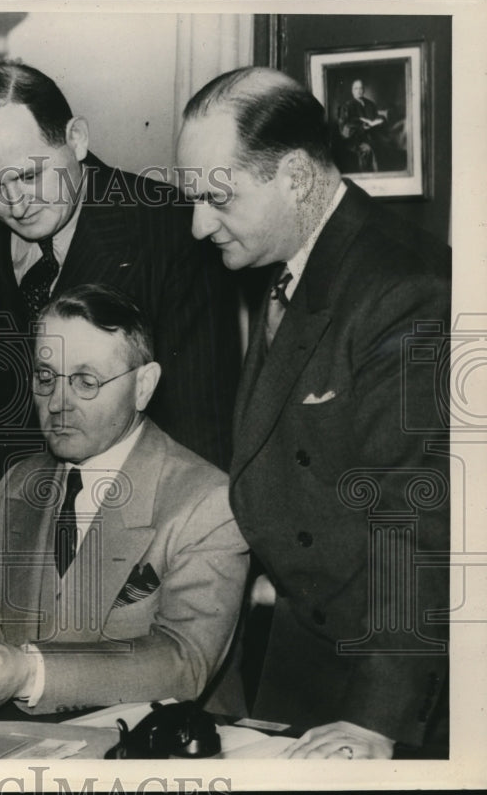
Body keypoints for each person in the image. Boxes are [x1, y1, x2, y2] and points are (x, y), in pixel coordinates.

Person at [176, 67, 450, 758]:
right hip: (304, 646)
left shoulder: (405, 289)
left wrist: (377, 716)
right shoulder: (297, 257)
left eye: (217, 197)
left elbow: (413, 519)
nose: (198, 223)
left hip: (385, 671)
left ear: (295, 177)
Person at [0, 61, 241, 615]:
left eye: (29, 174)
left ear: (77, 139)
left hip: (124, 549)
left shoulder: (167, 230)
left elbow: (201, 428)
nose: (15, 203)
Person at [0, 284, 248, 715]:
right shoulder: (19, 485)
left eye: (86, 381)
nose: (58, 404)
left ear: (143, 387)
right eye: (46, 377)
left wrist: (30, 673)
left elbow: (183, 662)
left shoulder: (206, 501)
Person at [336, 78, 385, 172]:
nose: (359, 91)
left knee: (385, 146)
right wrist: (361, 127)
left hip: (371, 136)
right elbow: (344, 127)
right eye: (356, 88)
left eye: (361, 88)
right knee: (367, 150)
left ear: (364, 90)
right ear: (352, 91)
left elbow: (376, 117)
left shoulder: (370, 104)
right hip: (355, 140)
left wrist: (381, 120)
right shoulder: (347, 106)